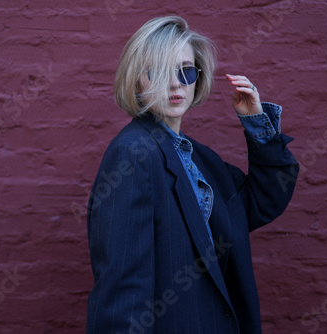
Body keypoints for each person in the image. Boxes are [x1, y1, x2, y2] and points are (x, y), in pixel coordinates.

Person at [85, 16, 299, 334]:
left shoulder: (199, 158)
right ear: (136, 81)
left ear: (197, 78)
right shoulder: (132, 154)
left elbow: (261, 201)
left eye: (185, 71)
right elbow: (123, 287)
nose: (175, 84)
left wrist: (256, 123)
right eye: (157, 71)